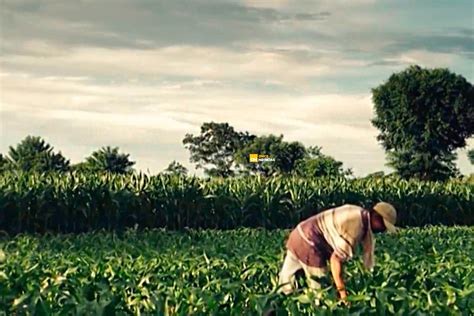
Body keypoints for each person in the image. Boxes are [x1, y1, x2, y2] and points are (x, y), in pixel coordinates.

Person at [278, 202, 398, 302]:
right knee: (321, 295)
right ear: (376, 217)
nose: (383, 230)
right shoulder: (356, 225)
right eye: (383, 226)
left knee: (284, 288)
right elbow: (335, 260)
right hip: (310, 243)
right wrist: (343, 295)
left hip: (298, 235)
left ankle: (270, 310)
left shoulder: (358, 212)